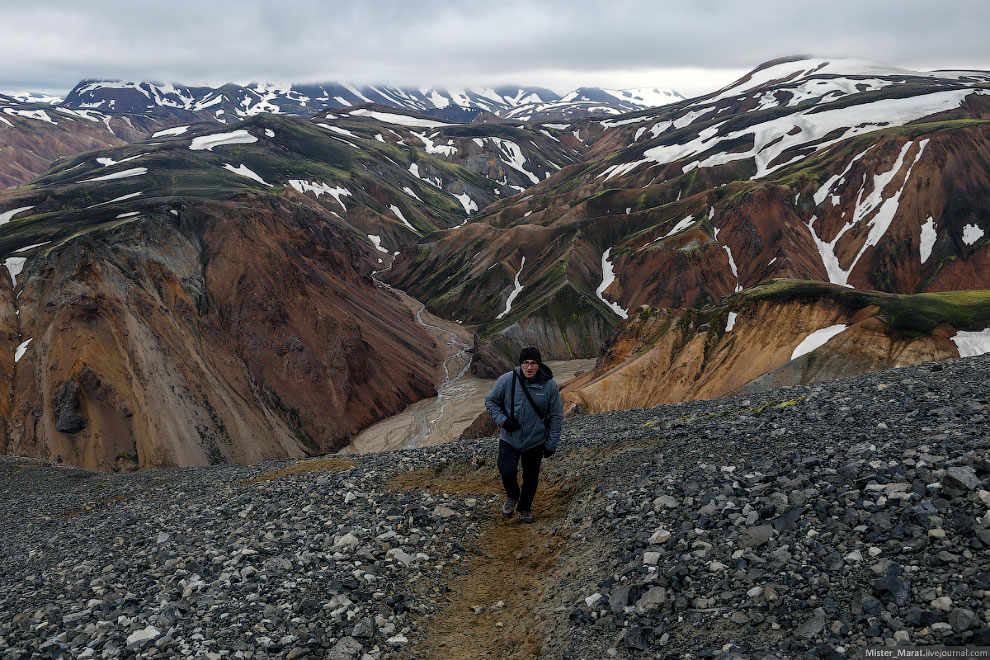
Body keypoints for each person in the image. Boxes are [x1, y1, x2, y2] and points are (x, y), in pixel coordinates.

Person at [484, 346, 563, 523]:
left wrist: (552, 443)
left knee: (531, 478)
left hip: (535, 439)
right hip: (509, 437)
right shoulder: (507, 380)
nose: (529, 367)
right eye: (525, 363)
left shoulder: (549, 385)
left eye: (533, 363)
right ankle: (512, 496)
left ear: (538, 365)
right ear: (520, 364)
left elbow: (556, 415)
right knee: (506, 470)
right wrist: (503, 421)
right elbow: (491, 401)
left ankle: (525, 508)